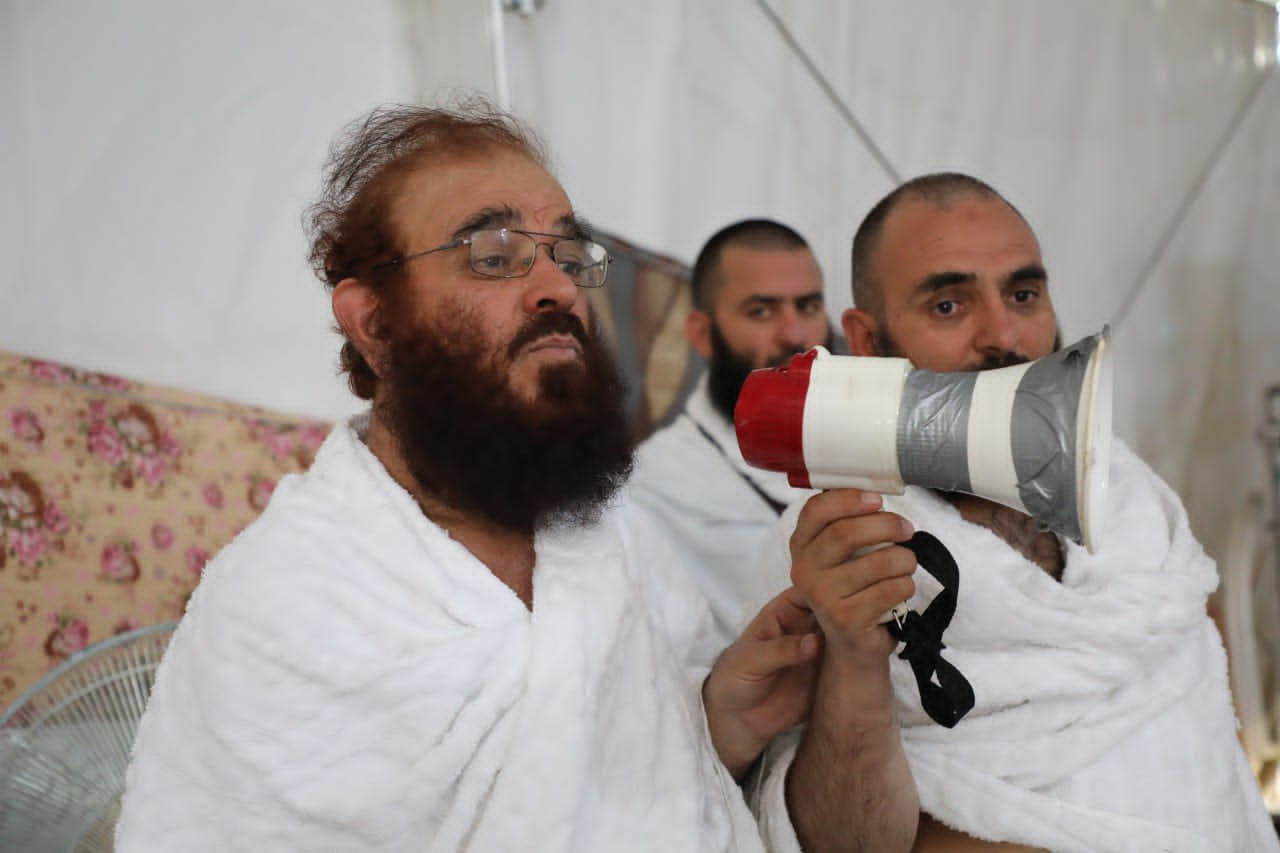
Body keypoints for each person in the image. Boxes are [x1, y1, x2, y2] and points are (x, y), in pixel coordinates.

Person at [114, 102, 921, 852]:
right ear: (373, 322)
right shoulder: (278, 600)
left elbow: (645, 784)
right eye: (494, 256)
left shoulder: (610, 535)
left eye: (569, 255)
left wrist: (715, 718)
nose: (558, 287)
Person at [745, 172, 1280, 851]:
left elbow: (1207, 740)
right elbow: (842, 843)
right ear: (868, 341)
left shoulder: (1130, 498)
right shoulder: (833, 543)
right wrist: (853, 655)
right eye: (948, 305)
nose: (1005, 335)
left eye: (1023, 293)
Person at [630, 220, 830, 646]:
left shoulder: (873, 443)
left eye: (809, 307)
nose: (795, 334)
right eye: (762, 311)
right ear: (703, 334)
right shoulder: (656, 486)